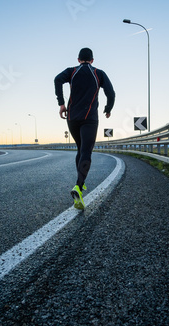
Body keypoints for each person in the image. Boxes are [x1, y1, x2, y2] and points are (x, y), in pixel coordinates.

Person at [54, 47, 115, 210]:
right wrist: (108, 108)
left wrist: (61, 103)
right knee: (86, 151)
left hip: (72, 117)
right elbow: (111, 93)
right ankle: (79, 187)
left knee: (80, 150)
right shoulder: (98, 73)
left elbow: (57, 79)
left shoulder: (72, 71)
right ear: (92, 60)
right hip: (90, 118)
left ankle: (81, 182)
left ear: (78, 59)